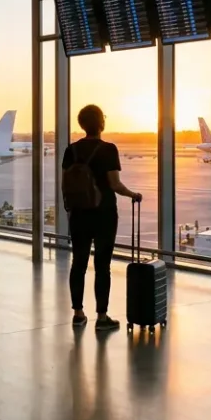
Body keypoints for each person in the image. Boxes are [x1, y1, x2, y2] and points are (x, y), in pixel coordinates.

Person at [60, 105, 142, 330]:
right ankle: (102, 317)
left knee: (78, 263)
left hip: (78, 213)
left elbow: (64, 183)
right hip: (103, 213)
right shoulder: (108, 149)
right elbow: (114, 184)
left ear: (82, 124)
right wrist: (133, 194)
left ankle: (78, 313)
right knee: (102, 265)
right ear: (101, 123)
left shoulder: (71, 150)